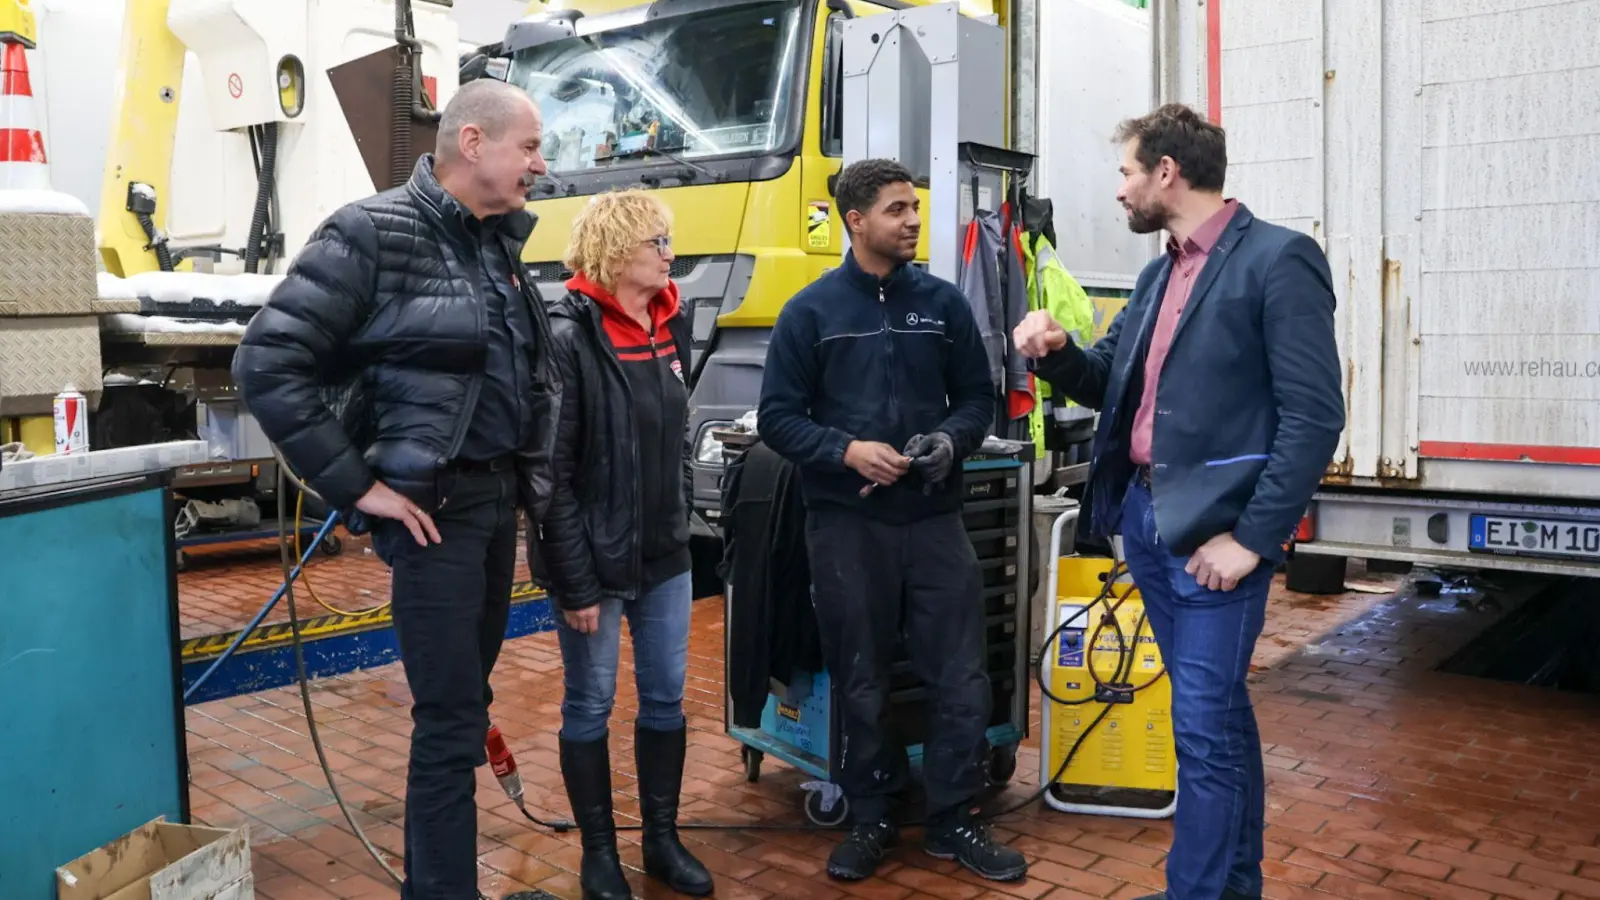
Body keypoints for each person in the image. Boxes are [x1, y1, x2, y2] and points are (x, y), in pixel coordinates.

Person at [232, 79, 558, 900]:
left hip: (489, 511)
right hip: (432, 520)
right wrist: (356, 486)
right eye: (529, 146)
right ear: (474, 143)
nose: (540, 165)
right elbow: (266, 362)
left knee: (464, 704)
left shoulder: (497, 246)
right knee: (449, 723)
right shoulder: (370, 232)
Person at [1012, 103, 1345, 900]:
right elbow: (1109, 381)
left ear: (1167, 171)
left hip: (1216, 542)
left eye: (1126, 172)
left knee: (1200, 730)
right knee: (1218, 720)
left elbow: (1315, 415)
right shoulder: (1161, 270)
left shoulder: (1278, 259)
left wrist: (1254, 538)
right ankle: (1235, 887)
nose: (1119, 190)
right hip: (1147, 526)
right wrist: (1059, 355)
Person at [757, 158, 1029, 885]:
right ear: (856, 220)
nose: (913, 220)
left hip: (936, 521)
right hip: (846, 526)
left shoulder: (943, 306)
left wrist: (951, 441)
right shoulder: (809, 313)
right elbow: (779, 420)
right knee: (863, 676)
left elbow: (978, 399)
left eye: (915, 207)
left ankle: (954, 817)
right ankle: (871, 813)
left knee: (960, 676)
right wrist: (844, 451)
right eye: (897, 209)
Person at [533, 188, 712, 900]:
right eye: (656, 245)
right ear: (615, 254)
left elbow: (667, 444)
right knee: (591, 703)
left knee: (666, 698)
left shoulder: (669, 326)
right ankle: (600, 855)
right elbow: (551, 472)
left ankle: (662, 842)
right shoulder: (571, 334)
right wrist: (575, 582)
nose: (670, 255)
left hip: (666, 554)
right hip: (597, 564)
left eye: (667, 242)